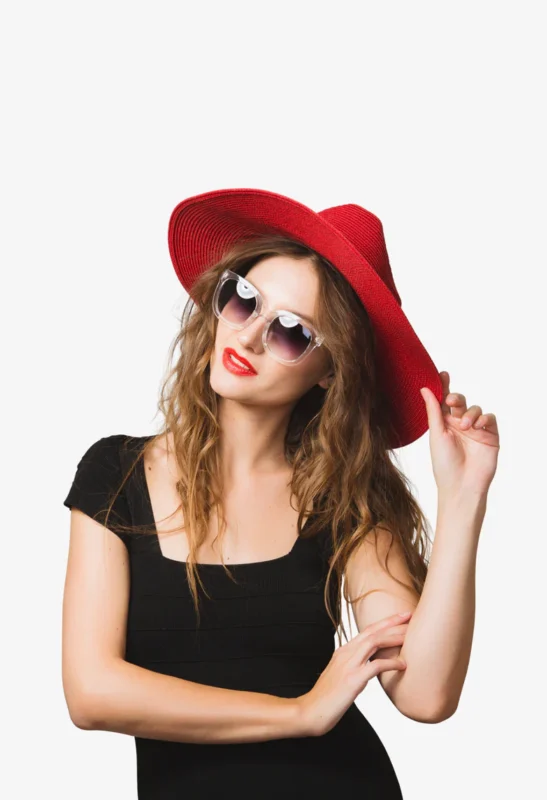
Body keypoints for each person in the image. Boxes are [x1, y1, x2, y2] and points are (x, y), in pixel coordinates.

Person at [62, 188, 500, 798]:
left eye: (291, 332)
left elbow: (425, 695)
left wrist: (463, 499)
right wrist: (298, 713)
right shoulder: (116, 474)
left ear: (330, 371)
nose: (248, 337)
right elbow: (91, 693)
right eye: (244, 300)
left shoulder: (342, 498)